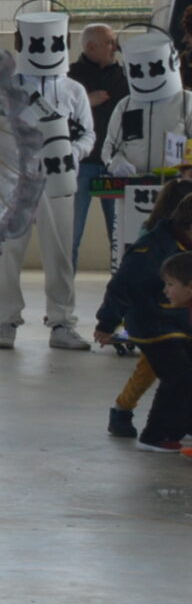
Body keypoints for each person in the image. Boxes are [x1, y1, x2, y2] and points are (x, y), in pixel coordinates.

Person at [0, 7, 96, 350]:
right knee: (7, 253)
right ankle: (6, 321)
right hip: (15, 184)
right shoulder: (6, 90)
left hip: (59, 184)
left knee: (60, 254)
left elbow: (88, 136)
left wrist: (74, 153)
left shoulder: (74, 91)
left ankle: (62, 322)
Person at [93, 178, 192, 453]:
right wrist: (107, 321)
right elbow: (123, 284)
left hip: (180, 322)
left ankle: (181, 423)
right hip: (153, 322)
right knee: (177, 374)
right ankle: (155, 434)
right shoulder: (151, 248)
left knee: (180, 372)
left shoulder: (181, 243)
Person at [71, 22, 128, 261]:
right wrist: (85, 101)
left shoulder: (124, 75)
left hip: (114, 164)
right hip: (82, 163)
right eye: (109, 42)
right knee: (71, 233)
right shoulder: (71, 77)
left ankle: (121, 286)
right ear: (91, 46)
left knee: (119, 234)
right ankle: (63, 293)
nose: (115, 47)